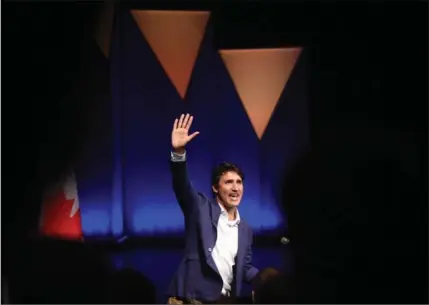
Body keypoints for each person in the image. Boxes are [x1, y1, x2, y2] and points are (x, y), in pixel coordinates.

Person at [167, 113, 259, 304]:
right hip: (192, 299)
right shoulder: (199, 208)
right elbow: (181, 185)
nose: (235, 188)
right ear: (216, 188)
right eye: (228, 183)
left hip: (223, 301)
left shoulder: (245, 229)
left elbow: (243, 268)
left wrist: (266, 280)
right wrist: (178, 152)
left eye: (239, 182)